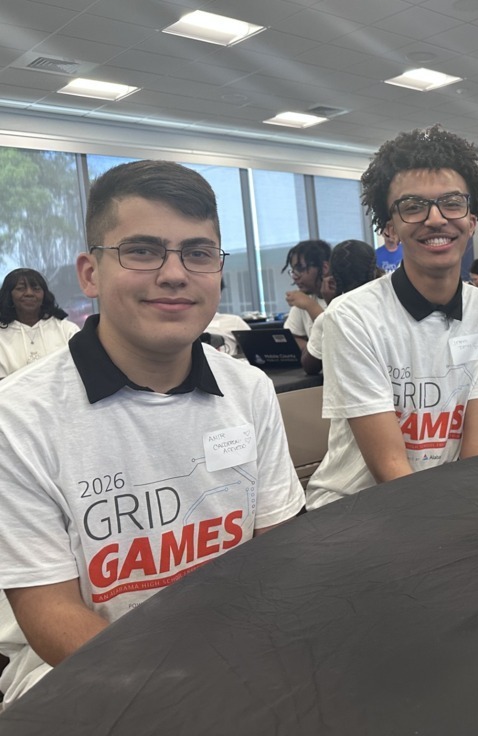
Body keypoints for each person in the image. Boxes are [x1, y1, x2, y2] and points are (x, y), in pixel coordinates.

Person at [0, 160, 305, 704]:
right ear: (90, 274)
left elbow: (277, 555)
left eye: (198, 253)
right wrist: (186, 691)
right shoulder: (19, 417)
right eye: (142, 251)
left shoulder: (249, 389)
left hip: (240, 656)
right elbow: (49, 612)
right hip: (86, 675)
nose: (174, 274)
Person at [304, 125, 478, 507]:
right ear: (390, 229)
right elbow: (390, 468)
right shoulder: (351, 316)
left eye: (452, 203)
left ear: (472, 220)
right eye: (413, 206)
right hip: (355, 506)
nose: (435, 219)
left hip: (450, 499)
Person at [301, 240, 382, 375]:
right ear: (374, 270)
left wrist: (332, 305)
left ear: (333, 277)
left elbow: (309, 365)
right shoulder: (389, 306)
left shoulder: (332, 315)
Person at [0, 268, 80, 378]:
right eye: (21, 288)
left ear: (44, 295)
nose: (29, 293)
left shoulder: (67, 330)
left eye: (36, 289)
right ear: (9, 296)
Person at [282, 239, 331, 352]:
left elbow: (334, 336)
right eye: (293, 270)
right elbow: (292, 338)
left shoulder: (342, 295)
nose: (295, 276)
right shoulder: (304, 297)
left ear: (324, 268)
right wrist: (313, 354)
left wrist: (310, 306)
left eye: (300, 269)